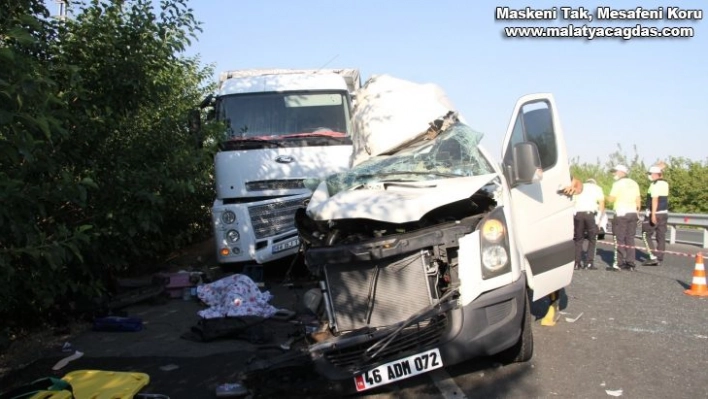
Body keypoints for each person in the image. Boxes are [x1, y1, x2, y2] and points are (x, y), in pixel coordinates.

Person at [607, 165, 641, 271]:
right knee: (630, 238)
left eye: (615, 172)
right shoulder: (634, 183)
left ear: (621, 172)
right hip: (632, 213)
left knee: (619, 238)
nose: (614, 174)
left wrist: (604, 197)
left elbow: (611, 199)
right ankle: (630, 263)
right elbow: (638, 199)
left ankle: (619, 263)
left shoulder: (618, 184)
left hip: (621, 213)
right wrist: (637, 213)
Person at [572, 178, 605, 270]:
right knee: (592, 239)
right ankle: (589, 263)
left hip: (578, 214)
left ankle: (576, 263)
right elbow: (602, 204)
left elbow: (573, 202)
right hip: (590, 214)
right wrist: (599, 220)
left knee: (578, 239)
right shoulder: (597, 188)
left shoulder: (579, 186)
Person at [641, 165, 669, 266]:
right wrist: (660, 166)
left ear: (655, 174)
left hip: (655, 213)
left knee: (645, 234)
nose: (649, 176)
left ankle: (652, 256)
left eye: (650, 174)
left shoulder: (655, 184)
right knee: (661, 236)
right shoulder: (665, 183)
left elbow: (655, 199)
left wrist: (652, 215)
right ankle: (659, 257)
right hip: (664, 213)